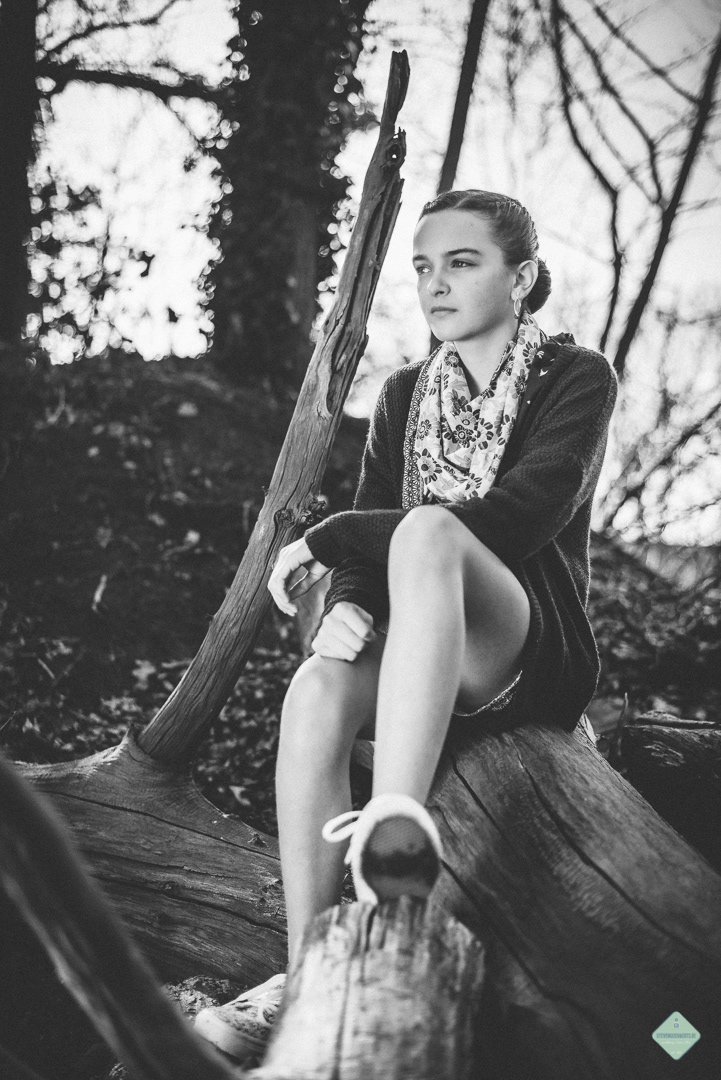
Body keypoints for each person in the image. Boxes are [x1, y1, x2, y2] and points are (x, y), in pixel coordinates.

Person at [194, 189, 618, 1063]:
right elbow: (372, 524)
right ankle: (312, 975)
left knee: (432, 531)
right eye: (423, 267)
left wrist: (326, 539)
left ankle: (392, 842)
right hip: (417, 646)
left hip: (520, 647)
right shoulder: (402, 394)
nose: (435, 284)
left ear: (521, 278)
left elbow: (519, 517)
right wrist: (348, 601)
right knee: (317, 686)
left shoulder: (576, 379)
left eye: (461, 263)